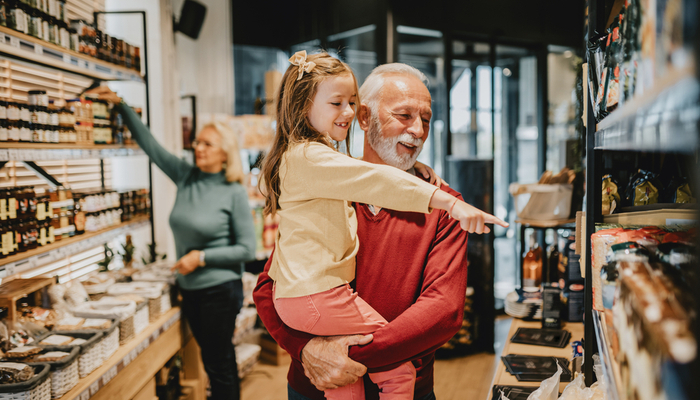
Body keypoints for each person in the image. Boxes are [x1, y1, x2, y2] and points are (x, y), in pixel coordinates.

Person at [256, 51, 507, 400]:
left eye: (426, 119)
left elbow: (443, 311)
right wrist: (306, 349)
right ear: (362, 117)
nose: (417, 130)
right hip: (315, 385)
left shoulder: (446, 203)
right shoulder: (322, 181)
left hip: (405, 388)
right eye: (403, 115)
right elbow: (271, 285)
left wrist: (347, 354)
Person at [87, 86, 256, 400]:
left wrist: (200, 257)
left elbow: (247, 249)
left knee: (219, 364)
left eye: (207, 143)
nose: (197, 148)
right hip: (189, 289)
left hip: (220, 289)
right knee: (211, 359)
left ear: (225, 152)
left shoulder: (233, 191)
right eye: (197, 142)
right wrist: (121, 105)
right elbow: (151, 146)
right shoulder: (185, 175)